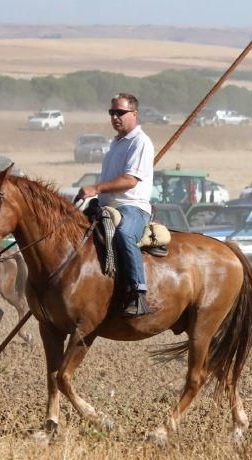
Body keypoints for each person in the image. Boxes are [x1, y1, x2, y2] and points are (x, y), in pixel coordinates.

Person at [76, 92, 155, 317]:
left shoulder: (140, 142)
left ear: (134, 114)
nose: (115, 117)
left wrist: (96, 188)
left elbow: (130, 180)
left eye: (120, 112)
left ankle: (138, 293)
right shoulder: (116, 144)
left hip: (132, 207)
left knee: (123, 234)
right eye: (112, 112)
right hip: (106, 205)